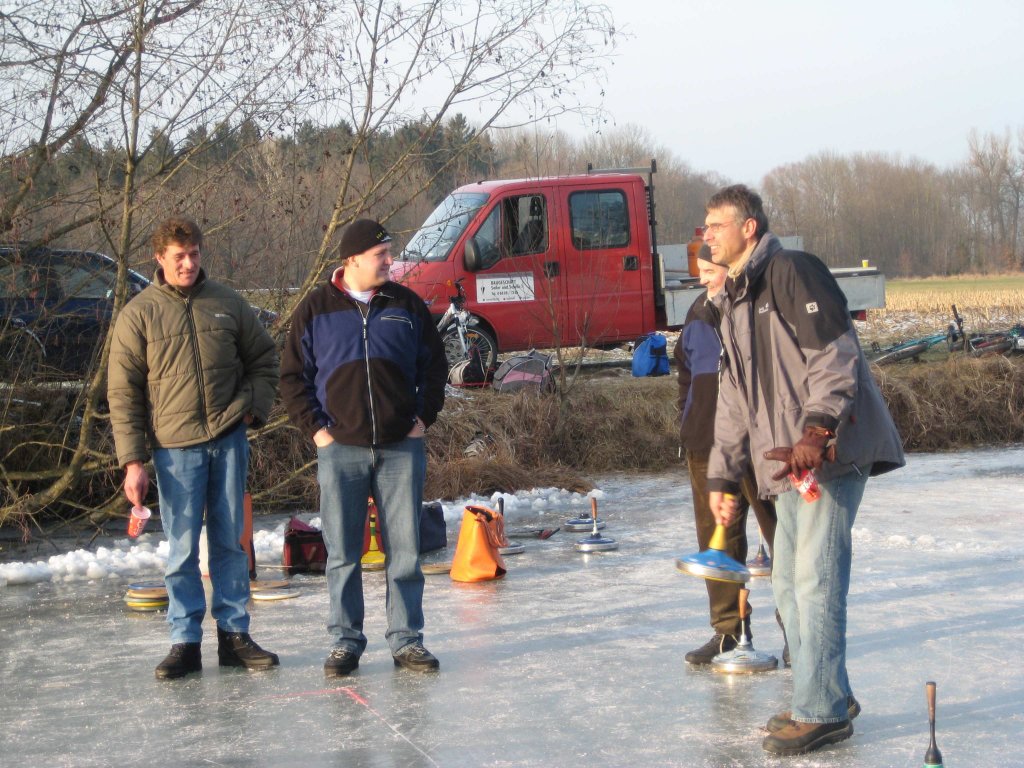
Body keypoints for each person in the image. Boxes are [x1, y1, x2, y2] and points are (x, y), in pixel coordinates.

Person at [703, 185, 904, 756]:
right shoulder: (734, 301)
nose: (707, 235)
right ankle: (830, 692)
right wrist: (723, 477)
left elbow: (834, 356)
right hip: (786, 468)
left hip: (828, 456)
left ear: (749, 227)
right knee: (789, 587)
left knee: (815, 583)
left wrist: (818, 429)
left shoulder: (791, 272)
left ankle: (822, 711)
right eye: (705, 227)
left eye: (716, 224)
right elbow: (735, 403)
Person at [108, 216, 280, 680]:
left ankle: (234, 635)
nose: (188, 264)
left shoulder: (226, 303)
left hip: (228, 441)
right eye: (178, 256)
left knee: (229, 543)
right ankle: (184, 641)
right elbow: (123, 392)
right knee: (182, 550)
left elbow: (266, 358)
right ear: (160, 258)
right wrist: (133, 460)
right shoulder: (138, 314)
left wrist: (252, 410)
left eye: (195, 255)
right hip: (173, 450)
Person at [279, 218, 447, 677]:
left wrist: (421, 418)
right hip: (341, 450)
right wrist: (317, 431)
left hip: (400, 447)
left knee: (406, 551)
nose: (390, 261)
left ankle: (407, 641)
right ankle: (345, 641)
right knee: (342, 552)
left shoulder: (406, 304)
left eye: (389, 253)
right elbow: (293, 379)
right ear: (352, 259)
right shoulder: (315, 309)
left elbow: (435, 368)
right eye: (381, 255)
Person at [673, 247, 777, 665]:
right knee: (717, 543)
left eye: (710, 272)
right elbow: (685, 374)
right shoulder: (699, 313)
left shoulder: (756, 305)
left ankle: (799, 633)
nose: (703, 280)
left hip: (760, 444)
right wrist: (688, 420)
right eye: (700, 272)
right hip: (705, 445)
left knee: (783, 539)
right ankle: (727, 632)